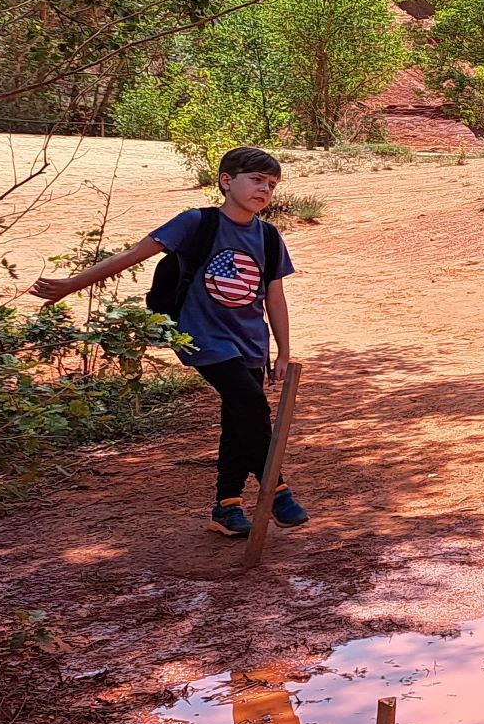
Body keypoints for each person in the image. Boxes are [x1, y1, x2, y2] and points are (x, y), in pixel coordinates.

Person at [29, 144, 307, 536]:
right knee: (251, 405)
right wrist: (72, 284)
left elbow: (274, 297)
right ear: (226, 181)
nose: (265, 190)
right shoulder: (196, 222)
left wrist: (283, 350)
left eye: (272, 184)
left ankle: (226, 508)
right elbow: (133, 255)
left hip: (251, 341)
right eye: (256, 179)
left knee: (239, 418)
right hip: (201, 338)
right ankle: (276, 489)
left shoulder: (268, 237)